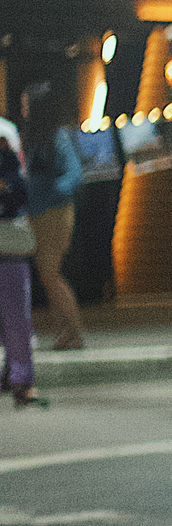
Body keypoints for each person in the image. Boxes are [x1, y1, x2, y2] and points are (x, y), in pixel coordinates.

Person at [15, 83, 86, 353]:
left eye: (26, 104)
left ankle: (74, 331)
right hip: (38, 212)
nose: (23, 109)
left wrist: (52, 190)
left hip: (54, 213)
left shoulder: (58, 137)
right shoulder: (34, 136)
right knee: (48, 276)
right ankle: (68, 331)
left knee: (51, 274)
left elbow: (74, 173)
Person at [1, 113, 45, 408]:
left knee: (13, 317)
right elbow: (19, 192)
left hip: (9, 240)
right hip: (10, 240)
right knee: (16, 316)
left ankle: (14, 377)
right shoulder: (6, 133)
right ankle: (20, 382)